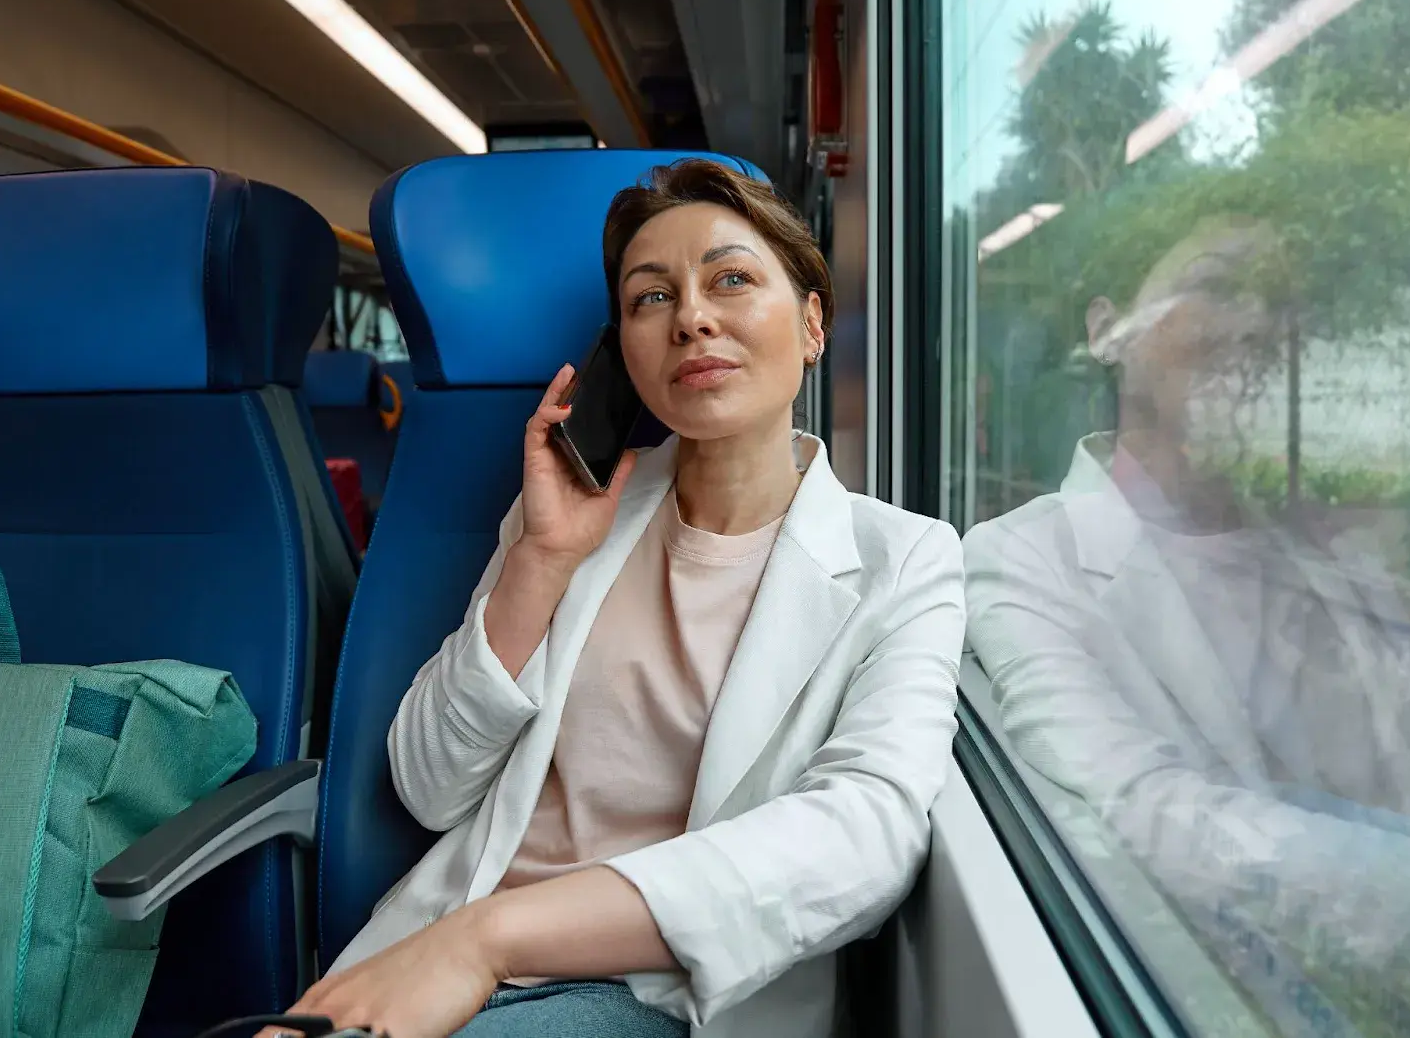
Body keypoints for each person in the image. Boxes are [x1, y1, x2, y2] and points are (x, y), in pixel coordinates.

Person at [274, 159, 965, 1038]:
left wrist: (490, 940)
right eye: (650, 299)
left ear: (814, 323)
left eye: (732, 279)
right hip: (446, 943)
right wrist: (543, 559)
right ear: (625, 353)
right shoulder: (573, 514)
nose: (693, 318)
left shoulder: (904, 559)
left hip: (646, 986)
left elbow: (866, 830)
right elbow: (426, 786)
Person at [962, 215, 1410, 999]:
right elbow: (1145, 813)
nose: (1255, 323)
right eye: (1217, 288)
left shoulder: (1322, 562)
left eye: (1277, 305)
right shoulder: (1021, 561)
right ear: (1108, 332)